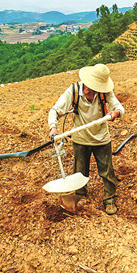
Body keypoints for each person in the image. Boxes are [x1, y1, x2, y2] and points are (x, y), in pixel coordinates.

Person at [48, 64, 124, 215]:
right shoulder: (74, 91)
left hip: (101, 138)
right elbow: (55, 110)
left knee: (106, 170)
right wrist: (53, 128)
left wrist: (116, 113)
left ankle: (109, 198)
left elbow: (119, 107)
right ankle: (81, 196)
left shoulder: (105, 93)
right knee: (80, 171)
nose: (93, 90)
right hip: (81, 138)